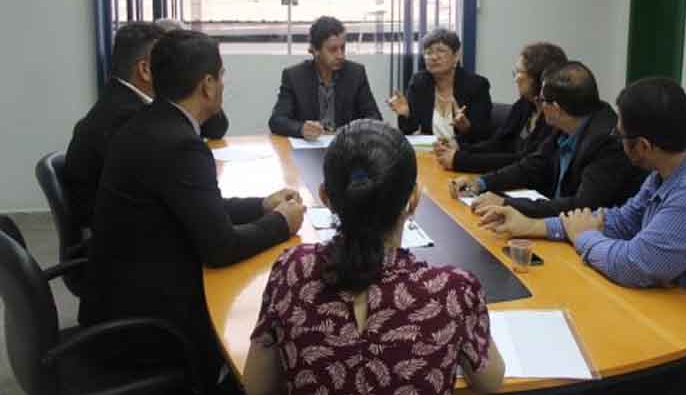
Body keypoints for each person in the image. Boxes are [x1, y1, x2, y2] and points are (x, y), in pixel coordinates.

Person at [481, 78, 686, 395]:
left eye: (620, 133)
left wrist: (583, 238)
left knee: (611, 376)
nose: (614, 135)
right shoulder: (674, 168)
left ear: (642, 146)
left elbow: (635, 265)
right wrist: (534, 226)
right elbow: (623, 221)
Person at [79, 30, 306, 393]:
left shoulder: (149, 123)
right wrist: (282, 223)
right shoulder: (179, 145)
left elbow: (200, 207)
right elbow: (220, 247)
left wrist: (261, 205)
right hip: (148, 327)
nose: (223, 84)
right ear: (207, 85)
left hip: (117, 297)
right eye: (222, 75)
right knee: (265, 326)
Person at [243, 119, 505, 395]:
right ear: (414, 198)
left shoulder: (292, 271)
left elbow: (257, 385)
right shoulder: (453, 291)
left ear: (325, 197)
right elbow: (490, 381)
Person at [65, 22, 228, 229]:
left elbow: (215, 128)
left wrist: (200, 89)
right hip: (123, 243)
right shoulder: (129, 118)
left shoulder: (124, 103)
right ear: (145, 69)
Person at [449, 61, 645, 219]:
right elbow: (533, 165)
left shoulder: (607, 142)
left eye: (542, 100)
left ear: (556, 108)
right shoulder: (568, 122)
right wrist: (481, 183)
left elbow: (582, 207)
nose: (539, 105)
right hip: (555, 220)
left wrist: (506, 203)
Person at [433, 42, 564, 173]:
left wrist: (460, 160)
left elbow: (524, 161)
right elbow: (498, 143)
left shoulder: (554, 116)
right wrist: (459, 147)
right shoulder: (523, 105)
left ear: (538, 77)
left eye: (519, 72)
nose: (515, 79)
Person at [268, 16, 382, 139]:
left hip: (346, 147)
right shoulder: (294, 76)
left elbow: (375, 119)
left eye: (343, 48)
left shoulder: (356, 73)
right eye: (333, 49)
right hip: (310, 148)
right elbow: (276, 121)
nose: (340, 55)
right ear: (315, 50)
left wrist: (349, 131)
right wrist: (301, 129)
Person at [387, 28, 492, 144]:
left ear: (456, 56)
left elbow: (483, 136)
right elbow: (409, 130)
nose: (434, 57)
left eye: (441, 51)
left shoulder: (477, 85)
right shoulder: (420, 83)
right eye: (428, 52)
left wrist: (466, 128)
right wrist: (405, 114)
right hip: (430, 152)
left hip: (462, 156)